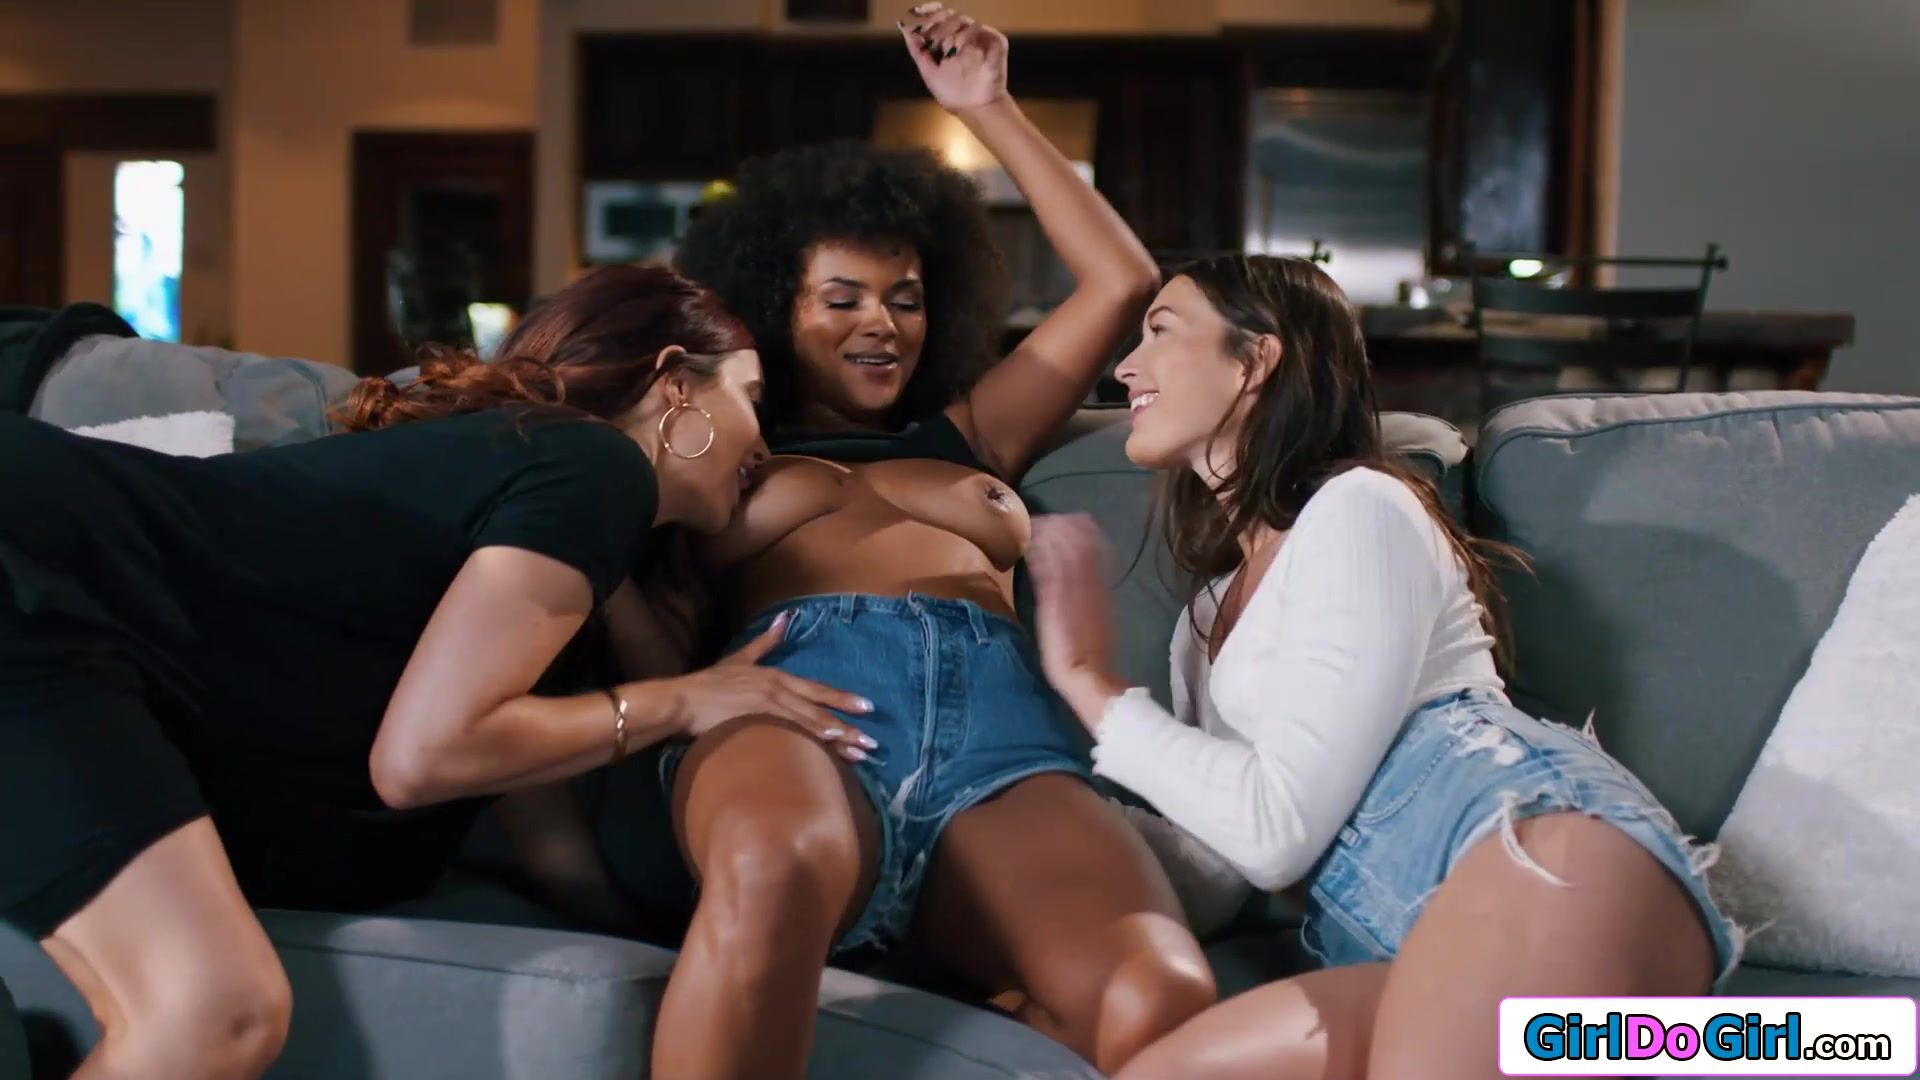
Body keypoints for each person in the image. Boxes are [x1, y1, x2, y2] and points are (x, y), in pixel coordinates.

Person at [0, 265, 872, 1080]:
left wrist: (705, 931)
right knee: (215, 1010)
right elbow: (424, 757)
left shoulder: (543, 531)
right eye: (752, 398)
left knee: (200, 1009)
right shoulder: (597, 465)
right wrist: (683, 701)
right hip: (38, 574)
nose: (765, 445)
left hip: (65, 618)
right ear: (676, 383)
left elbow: (546, 839)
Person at [637, 5, 1216, 1077]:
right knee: (768, 873)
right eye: (842, 299)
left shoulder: (970, 432)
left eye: (905, 300)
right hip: (799, 709)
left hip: (1001, 732)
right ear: (771, 305)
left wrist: (987, 107)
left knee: (1156, 996)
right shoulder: (725, 450)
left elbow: (1122, 281)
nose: (883, 324)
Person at [1022, 254, 1744, 1080]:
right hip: (1399, 938)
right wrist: (1014, 835)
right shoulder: (1203, 622)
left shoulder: (1361, 506)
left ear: (1255, 360)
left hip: (1534, 849)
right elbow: (1226, 866)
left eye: (1160, 331)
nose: (1125, 366)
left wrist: (1092, 685)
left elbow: (1273, 833)